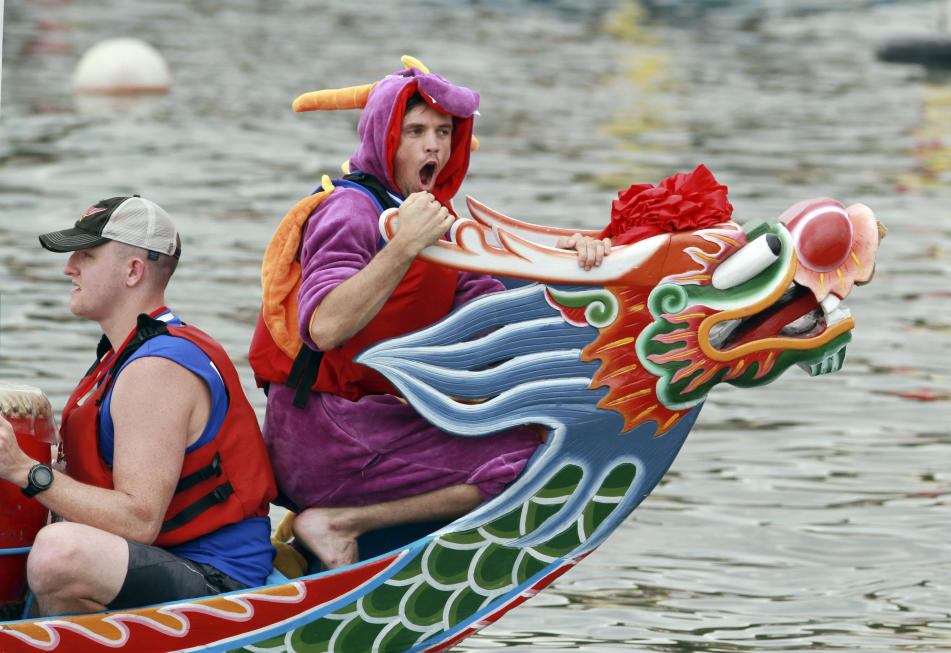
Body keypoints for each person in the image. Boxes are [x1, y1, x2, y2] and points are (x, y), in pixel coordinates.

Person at [250, 63, 611, 570]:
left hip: (371, 422)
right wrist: (402, 247)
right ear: (384, 137)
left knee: (544, 433)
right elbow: (324, 327)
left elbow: (495, 322)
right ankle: (340, 522)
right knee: (527, 463)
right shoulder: (350, 211)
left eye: (443, 133)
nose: (433, 147)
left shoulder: (432, 223)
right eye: (416, 132)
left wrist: (574, 265)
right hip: (324, 433)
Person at [0, 196, 277, 616]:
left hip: (217, 579)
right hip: (164, 559)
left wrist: (25, 471)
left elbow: (138, 521)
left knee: (59, 552)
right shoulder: (123, 353)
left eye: (87, 255)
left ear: (133, 271)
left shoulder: (157, 368)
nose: (68, 268)